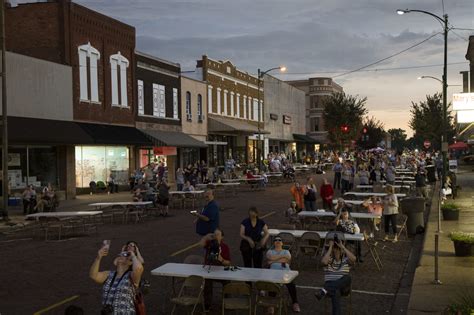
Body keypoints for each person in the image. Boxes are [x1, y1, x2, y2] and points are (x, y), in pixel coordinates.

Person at [89, 241, 144, 314]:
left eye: (125, 255)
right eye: (121, 254)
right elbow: (93, 275)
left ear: (130, 262)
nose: (122, 255)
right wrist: (98, 258)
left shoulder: (131, 276)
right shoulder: (109, 274)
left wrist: (133, 255)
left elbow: (138, 269)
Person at [315, 235, 356, 315]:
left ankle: (323, 291)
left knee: (348, 278)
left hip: (343, 288)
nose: (337, 250)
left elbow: (354, 259)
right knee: (336, 291)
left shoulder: (345, 259)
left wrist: (343, 247)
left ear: (341, 251)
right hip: (332, 289)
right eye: (335, 249)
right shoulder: (329, 260)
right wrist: (330, 247)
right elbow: (323, 262)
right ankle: (326, 290)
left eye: (338, 249)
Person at [266, 237, 301, 313]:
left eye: (279, 240)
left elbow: (288, 258)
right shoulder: (270, 251)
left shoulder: (286, 251)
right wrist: (282, 258)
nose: (278, 241)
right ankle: (271, 305)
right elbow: (270, 257)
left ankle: (295, 303)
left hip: (286, 272)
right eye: (276, 240)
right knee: (272, 285)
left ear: (282, 243)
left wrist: (273, 261)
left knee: (291, 284)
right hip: (273, 272)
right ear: (274, 243)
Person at [199, 228, 231, 311]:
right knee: (207, 282)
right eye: (214, 234)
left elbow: (228, 263)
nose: (215, 236)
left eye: (217, 235)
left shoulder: (225, 247)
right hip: (210, 269)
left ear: (222, 237)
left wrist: (222, 260)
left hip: (221, 270)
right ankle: (207, 304)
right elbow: (201, 244)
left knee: (227, 282)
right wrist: (206, 237)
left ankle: (227, 303)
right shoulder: (210, 244)